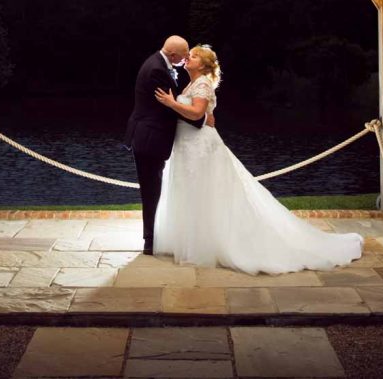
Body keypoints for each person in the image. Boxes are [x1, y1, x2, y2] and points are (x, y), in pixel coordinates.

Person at [152, 45, 363, 274]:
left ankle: (210, 245)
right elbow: (203, 115)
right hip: (188, 145)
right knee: (195, 193)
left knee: (206, 193)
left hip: (200, 147)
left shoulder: (202, 83)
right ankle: (194, 241)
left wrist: (172, 103)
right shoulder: (193, 83)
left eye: (192, 56)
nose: (187, 59)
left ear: (202, 65)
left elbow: (197, 113)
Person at [124, 35, 211, 255]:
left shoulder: (159, 63)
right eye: (184, 55)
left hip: (148, 136)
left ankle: (154, 237)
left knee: (153, 188)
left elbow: (173, 105)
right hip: (149, 138)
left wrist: (198, 112)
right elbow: (168, 108)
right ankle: (150, 241)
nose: (185, 59)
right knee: (151, 190)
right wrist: (202, 118)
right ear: (173, 55)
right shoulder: (157, 70)